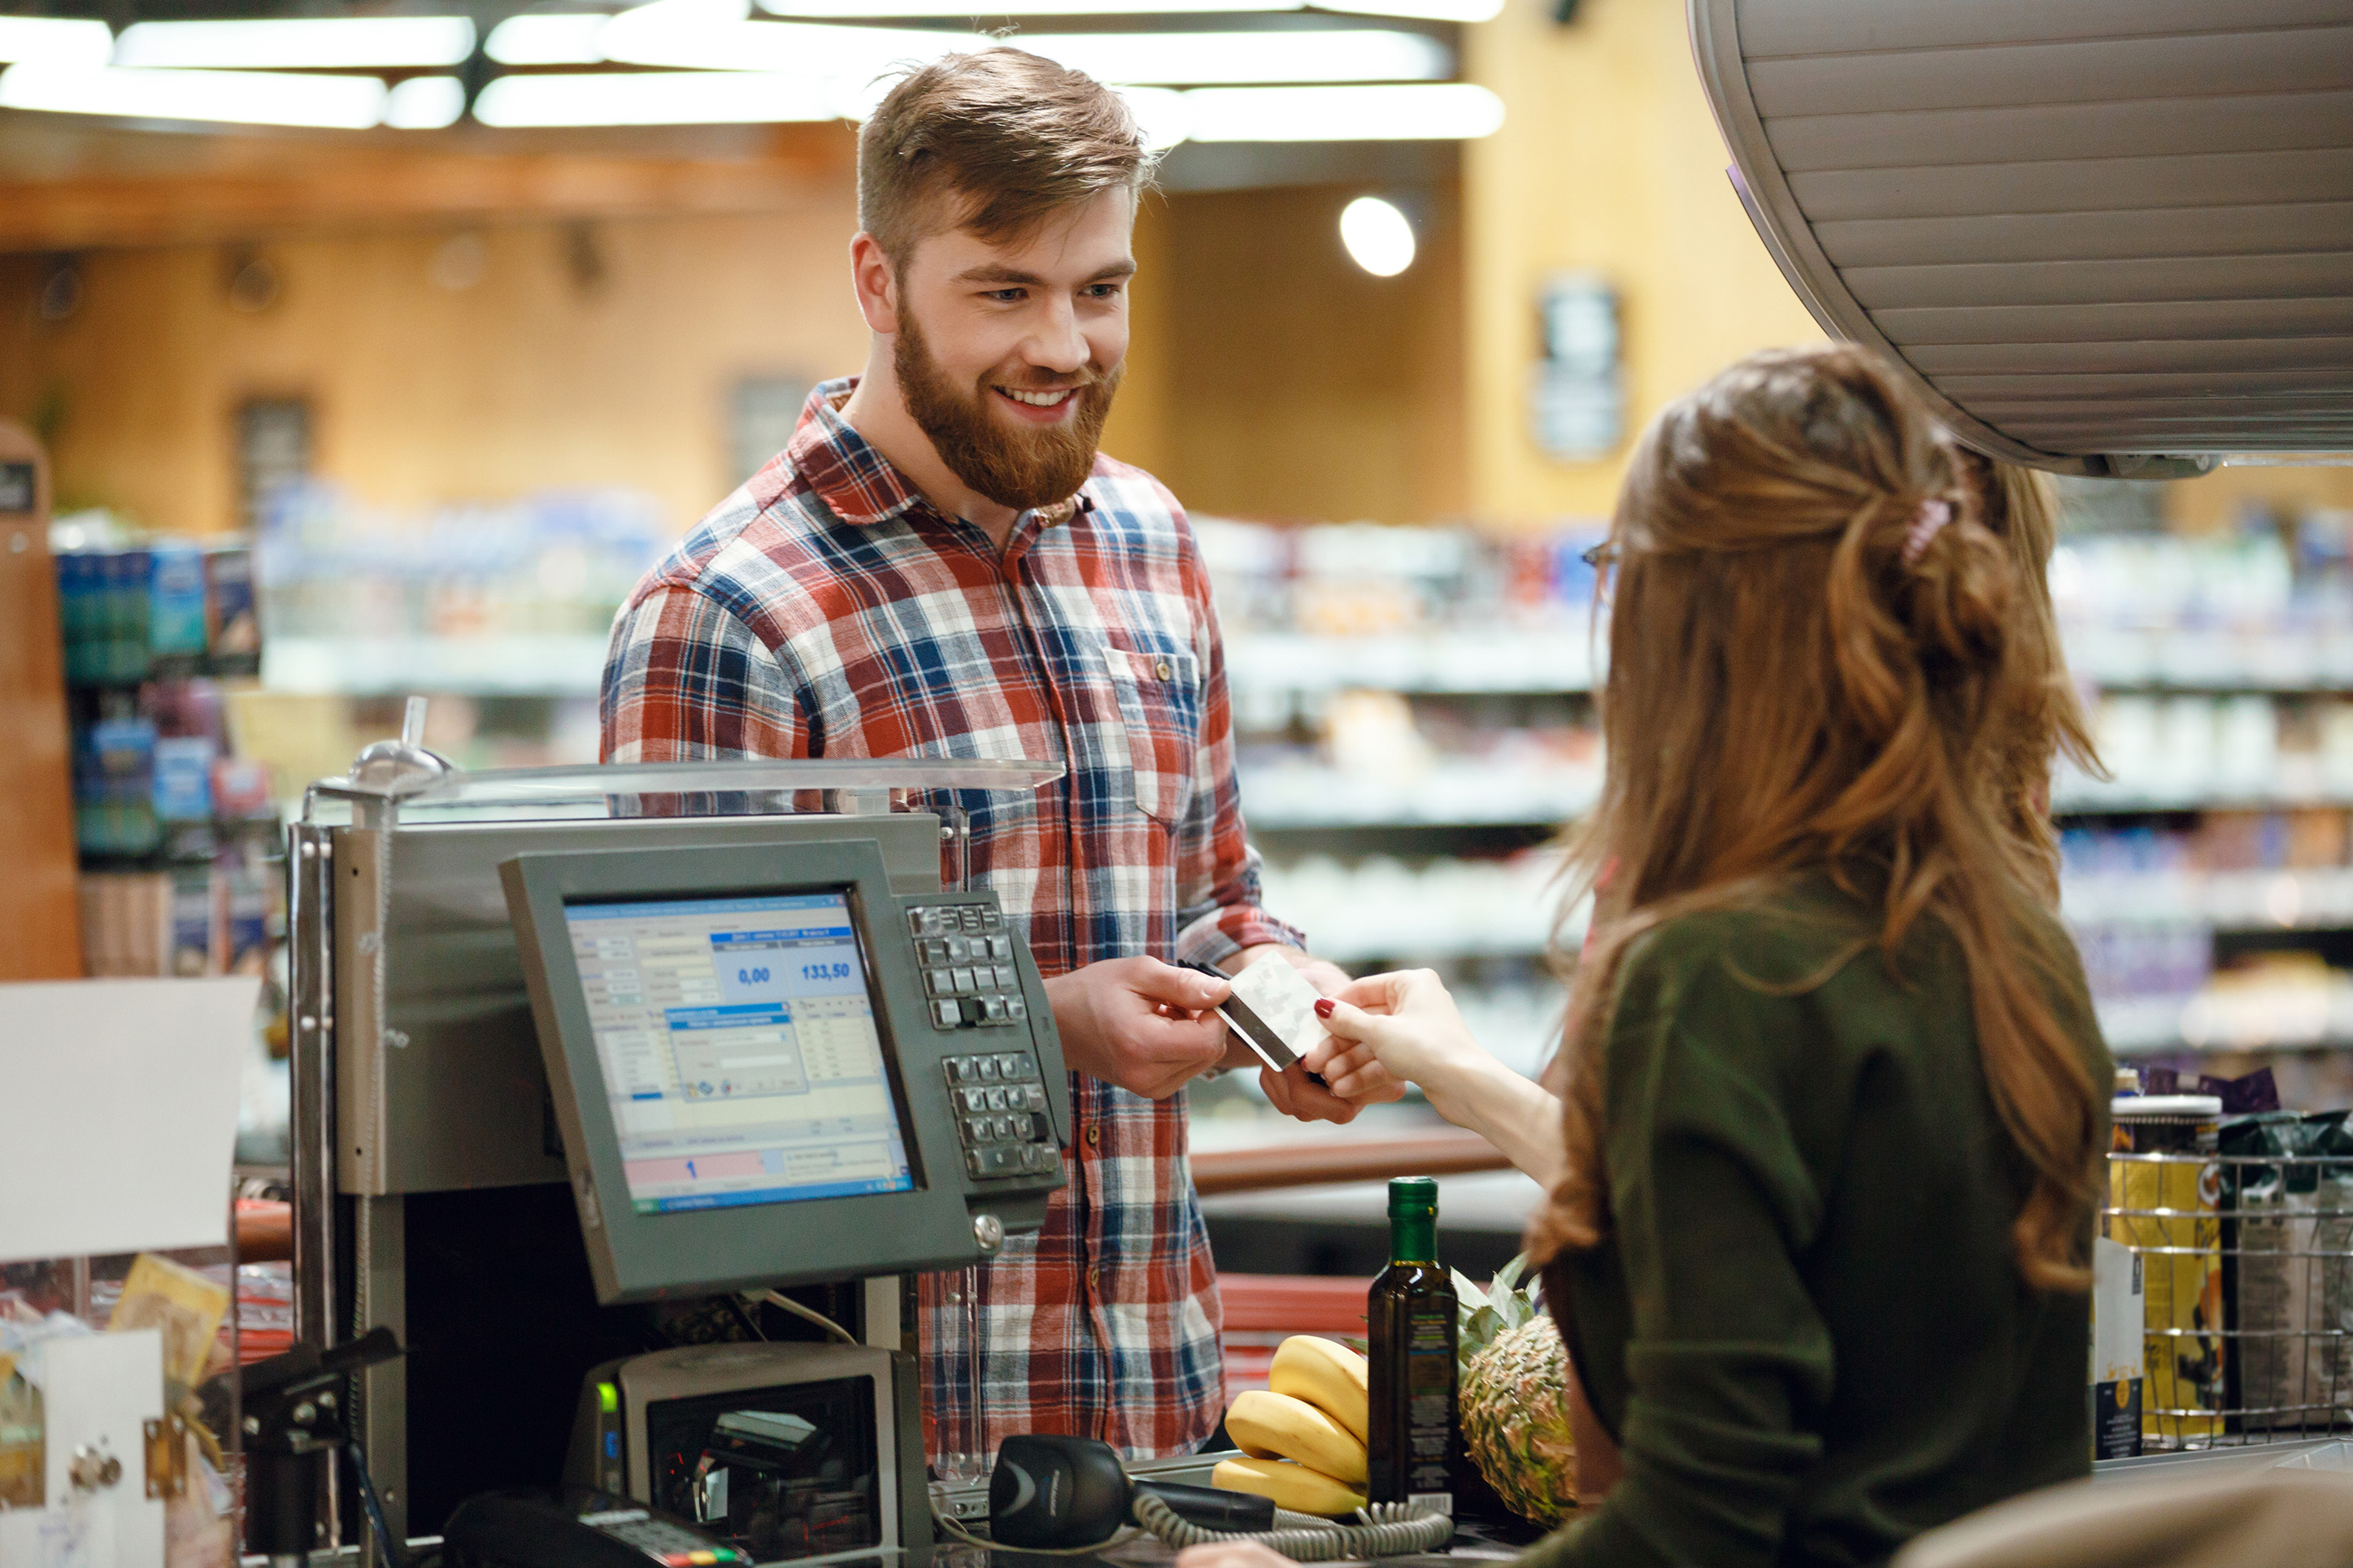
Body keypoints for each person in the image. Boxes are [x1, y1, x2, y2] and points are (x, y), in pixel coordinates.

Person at [1195, 343, 2114, 1568]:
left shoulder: (1714, 974)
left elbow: (1699, 1528)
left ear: (1691, 618)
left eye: (1620, 570)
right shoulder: (2013, 943)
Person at [600, 48, 1390, 1462]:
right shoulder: (730, 612)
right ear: (876, 280)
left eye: (1100, 289)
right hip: (883, 1462)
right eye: (1004, 292)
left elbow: (1213, 888)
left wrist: (1282, 992)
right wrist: (1042, 1024)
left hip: (1169, 1419)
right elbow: (680, 1087)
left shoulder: (1150, 543)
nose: (1064, 347)